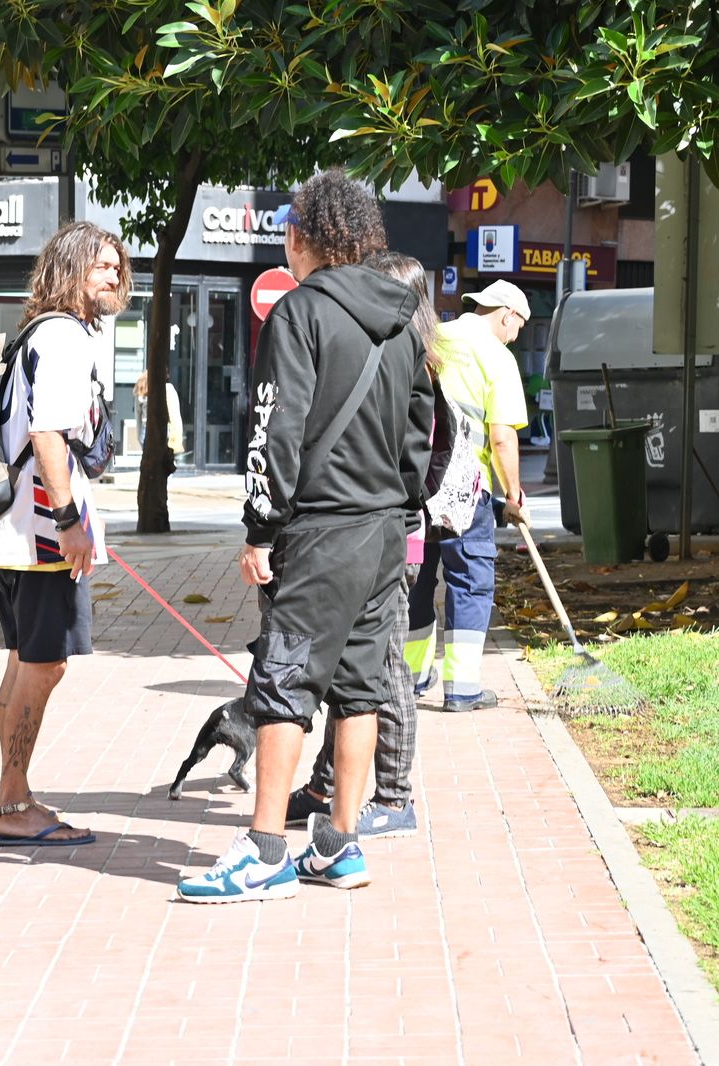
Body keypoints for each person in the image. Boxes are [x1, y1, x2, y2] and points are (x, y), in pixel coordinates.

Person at [176, 171, 433, 903]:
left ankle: (263, 851)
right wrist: (402, 508)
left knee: (284, 681)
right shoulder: (403, 315)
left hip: (321, 528)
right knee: (361, 689)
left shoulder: (299, 313)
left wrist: (261, 528)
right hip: (386, 528)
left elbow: (272, 429)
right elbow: (422, 425)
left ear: (305, 236)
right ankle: (339, 844)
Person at [0, 221, 131, 847]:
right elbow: (47, 436)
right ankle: (13, 803)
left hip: (15, 530)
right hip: (43, 532)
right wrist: (71, 523)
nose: (113, 278)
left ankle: (13, 794)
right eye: (100, 267)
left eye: (118, 270)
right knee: (44, 667)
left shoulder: (36, 334)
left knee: (25, 662)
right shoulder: (66, 337)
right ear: (69, 270)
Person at [287, 250, 442, 840]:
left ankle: (395, 795)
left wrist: (400, 511)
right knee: (350, 670)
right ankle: (328, 783)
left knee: (383, 672)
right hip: (374, 529)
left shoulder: (416, 360)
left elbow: (423, 458)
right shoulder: (393, 351)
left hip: (392, 537)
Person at [404, 279, 532, 712]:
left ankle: (411, 678)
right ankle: (462, 688)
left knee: (418, 579)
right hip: (464, 488)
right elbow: (501, 439)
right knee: (471, 581)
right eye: (520, 326)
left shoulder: (434, 337)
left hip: (417, 483)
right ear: (506, 314)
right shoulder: (498, 357)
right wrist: (513, 493)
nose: (517, 335)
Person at [133, 370, 184, 455]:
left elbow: (138, 415)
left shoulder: (141, 392)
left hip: (145, 430)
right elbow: (174, 415)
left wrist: (139, 435)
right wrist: (176, 435)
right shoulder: (167, 389)